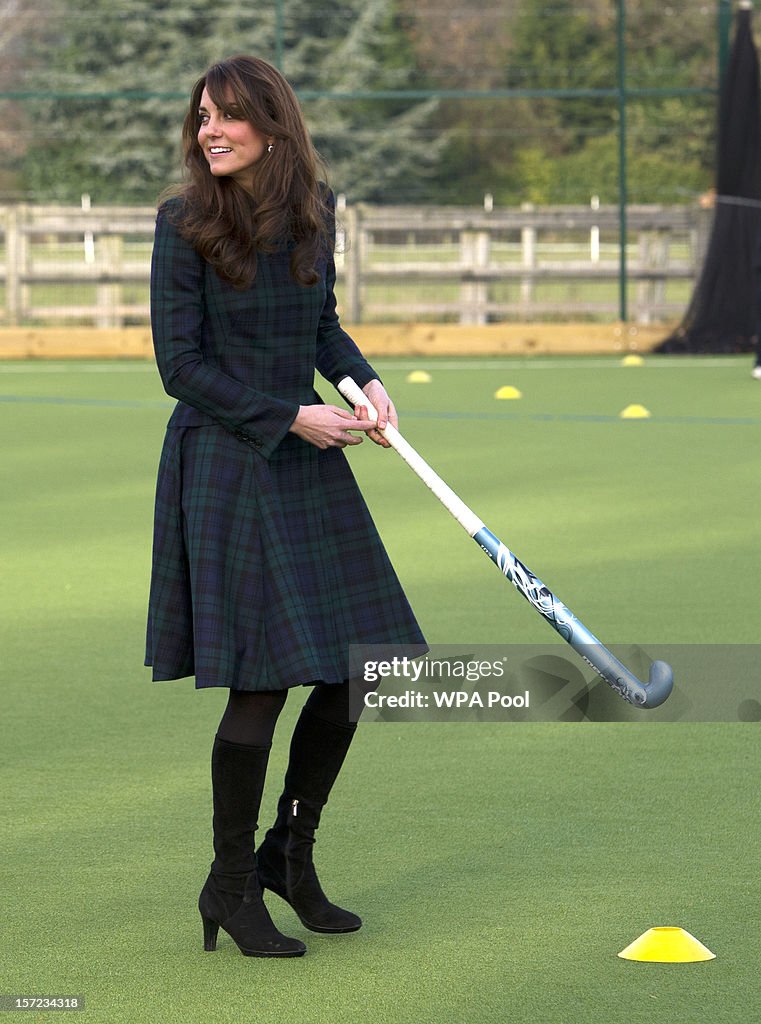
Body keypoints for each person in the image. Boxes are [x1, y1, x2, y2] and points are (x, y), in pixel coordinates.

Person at [145, 54, 425, 959]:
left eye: (224, 116)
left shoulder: (313, 209)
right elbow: (179, 369)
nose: (208, 132)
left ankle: (286, 859)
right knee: (262, 683)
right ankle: (229, 886)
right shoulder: (182, 222)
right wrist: (290, 414)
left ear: (272, 124)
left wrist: (363, 382)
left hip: (303, 459)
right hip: (226, 460)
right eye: (200, 119)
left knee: (358, 668)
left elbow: (319, 327)